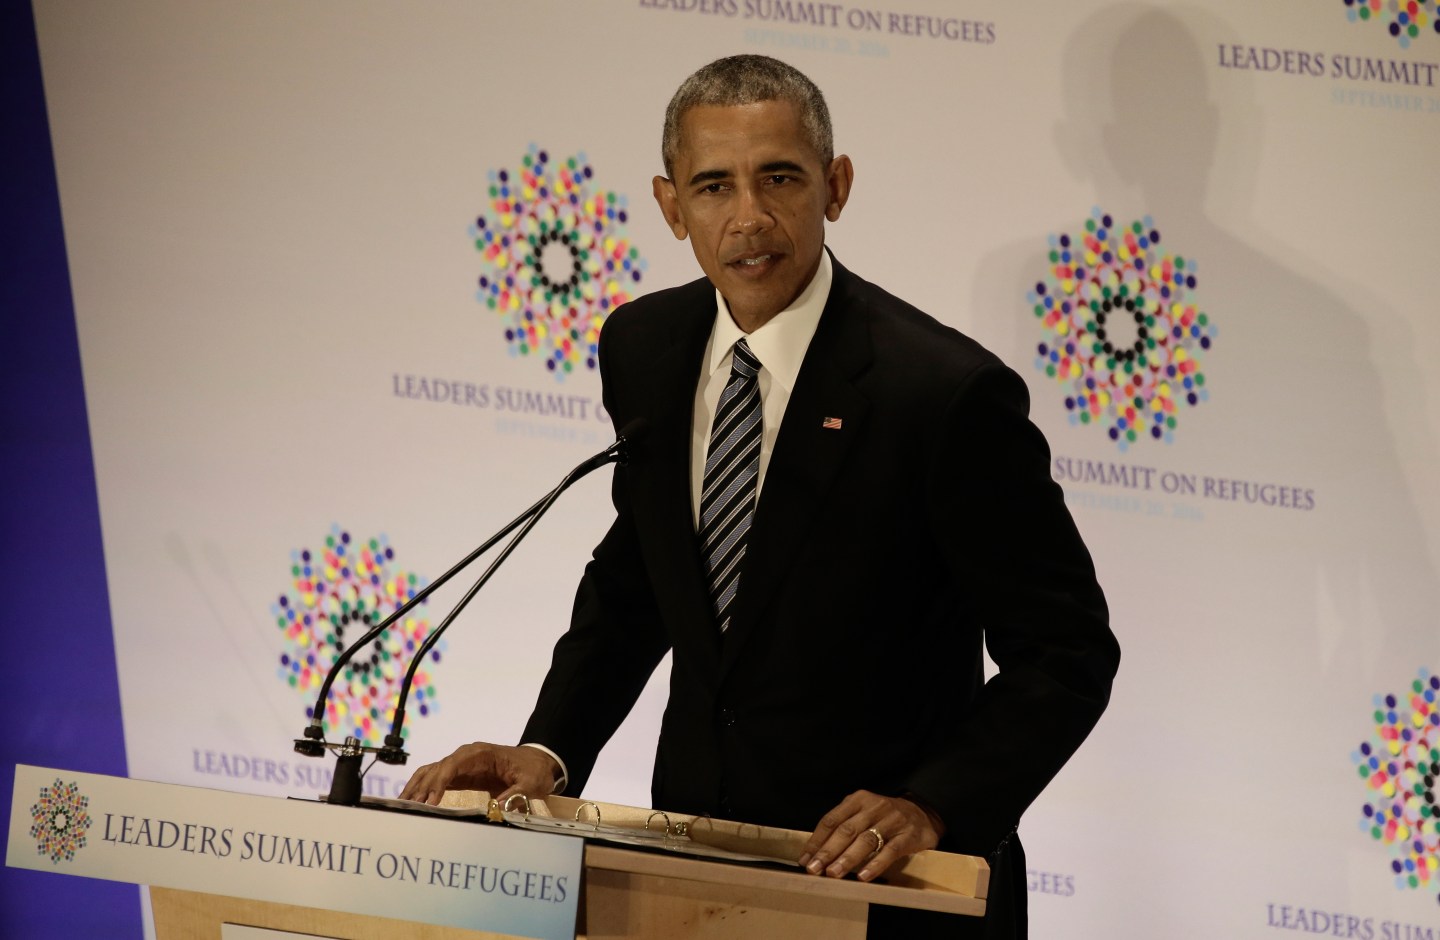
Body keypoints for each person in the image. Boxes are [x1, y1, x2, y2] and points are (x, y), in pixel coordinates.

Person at [401, 54, 1119, 938]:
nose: (749, 217)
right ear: (671, 207)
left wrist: (934, 803)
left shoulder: (942, 394)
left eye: (780, 178)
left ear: (835, 186)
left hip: (891, 889)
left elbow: (1066, 652)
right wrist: (550, 749)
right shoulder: (643, 347)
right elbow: (640, 580)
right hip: (692, 878)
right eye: (714, 186)